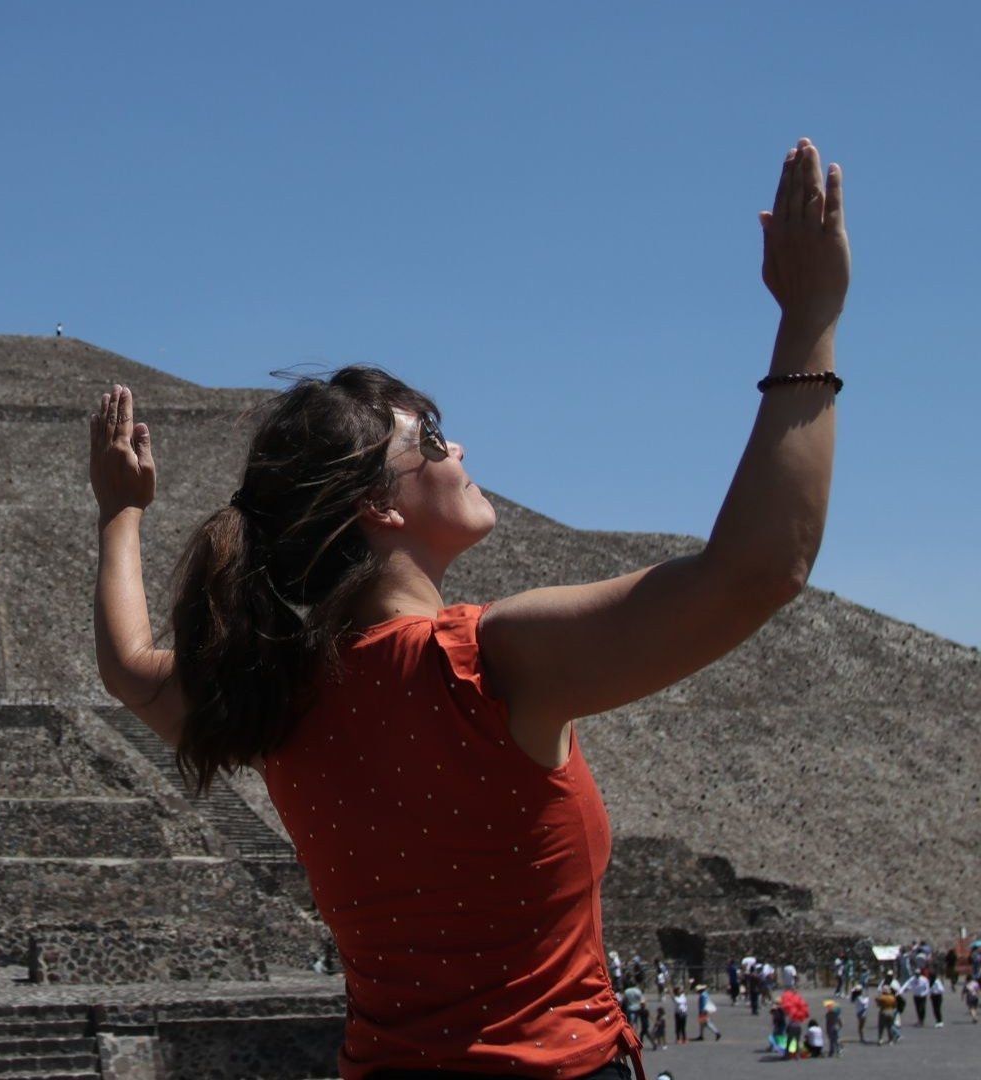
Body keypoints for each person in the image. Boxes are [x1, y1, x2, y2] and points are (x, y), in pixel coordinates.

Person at [89, 136, 847, 1080]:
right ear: (382, 507)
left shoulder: (268, 697)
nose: (461, 447)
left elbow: (128, 665)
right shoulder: (485, 665)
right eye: (433, 439)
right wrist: (809, 321)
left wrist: (121, 513)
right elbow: (760, 569)